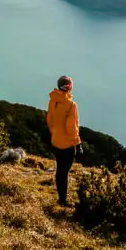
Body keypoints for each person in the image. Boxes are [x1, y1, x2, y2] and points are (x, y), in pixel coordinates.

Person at [46, 75, 82, 206]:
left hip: (55, 141)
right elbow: (71, 127)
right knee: (64, 172)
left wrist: (54, 134)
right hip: (67, 144)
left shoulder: (53, 101)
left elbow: (49, 119)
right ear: (70, 87)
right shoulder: (71, 105)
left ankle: (61, 198)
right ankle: (63, 200)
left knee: (60, 170)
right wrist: (78, 144)